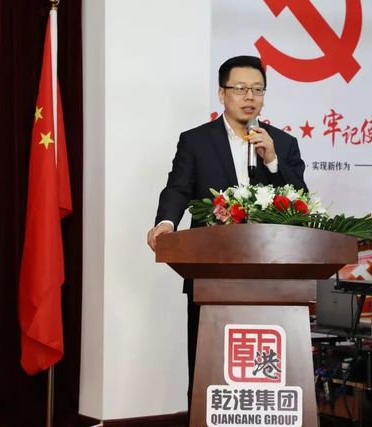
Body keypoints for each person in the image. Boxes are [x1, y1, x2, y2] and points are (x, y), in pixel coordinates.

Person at [146, 55, 308, 403]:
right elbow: (178, 188)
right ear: (222, 94)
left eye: (258, 90)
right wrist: (166, 223)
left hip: (270, 277)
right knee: (208, 369)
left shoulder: (282, 144)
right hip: (211, 274)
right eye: (240, 88)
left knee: (263, 370)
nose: (250, 97)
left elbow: (300, 201)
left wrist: (272, 161)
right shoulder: (196, 141)